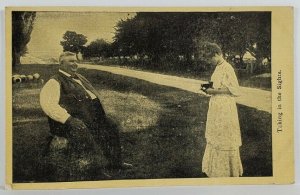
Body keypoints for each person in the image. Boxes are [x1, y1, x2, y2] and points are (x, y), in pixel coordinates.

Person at [40, 51, 131, 181]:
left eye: (76, 60)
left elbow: (91, 96)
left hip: (91, 118)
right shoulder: (54, 81)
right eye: (71, 61)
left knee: (112, 126)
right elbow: (48, 105)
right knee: (86, 135)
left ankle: (116, 163)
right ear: (61, 63)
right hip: (69, 123)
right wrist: (69, 120)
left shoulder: (80, 77)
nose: (75, 63)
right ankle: (96, 170)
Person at [198, 42, 243, 177]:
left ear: (217, 54)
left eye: (210, 57)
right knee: (216, 135)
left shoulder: (227, 68)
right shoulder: (218, 67)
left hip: (225, 107)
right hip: (217, 106)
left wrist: (213, 91)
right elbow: (218, 85)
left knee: (224, 136)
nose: (209, 61)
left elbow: (234, 89)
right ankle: (215, 169)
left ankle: (227, 171)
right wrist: (208, 88)